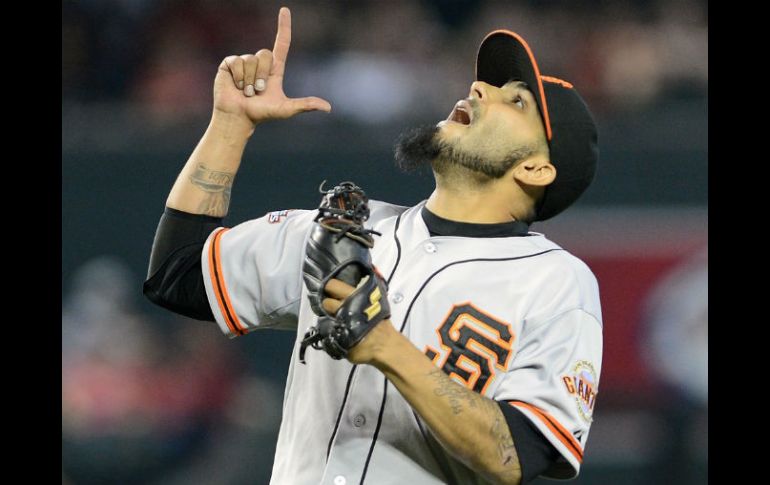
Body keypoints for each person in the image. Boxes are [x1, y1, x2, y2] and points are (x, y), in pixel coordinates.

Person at [144, 7, 602, 485]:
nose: (479, 90)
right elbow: (177, 277)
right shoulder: (347, 231)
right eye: (486, 84)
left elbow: (515, 456)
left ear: (535, 169)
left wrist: (384, 345)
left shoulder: (556, 283)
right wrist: (230, 126)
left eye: (516, 102)